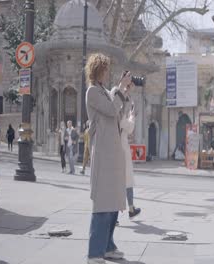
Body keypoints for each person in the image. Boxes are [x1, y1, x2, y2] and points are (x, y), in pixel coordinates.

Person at [85, 53, 129, 264]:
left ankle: (108, 247)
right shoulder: (92, 91)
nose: (107, 72)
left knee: (113, 203)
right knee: (103, 203)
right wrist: (119, 88)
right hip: (103, 153)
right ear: (97, 71)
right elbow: (111, 109)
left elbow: (118, 113)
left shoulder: (103, 91)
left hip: (112, 153)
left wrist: (124, 91)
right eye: (104, 69)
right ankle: (94, 253)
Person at [116, 71, 141, 224]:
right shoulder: (119, 114)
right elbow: (129, 127)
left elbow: (122, 98)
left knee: (124, 180)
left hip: (120, 145)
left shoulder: (118, 106)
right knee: (125, 180)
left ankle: (130, 209)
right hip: (120, 147)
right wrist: (132, 115)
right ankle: (119, 213)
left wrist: (127, 90)